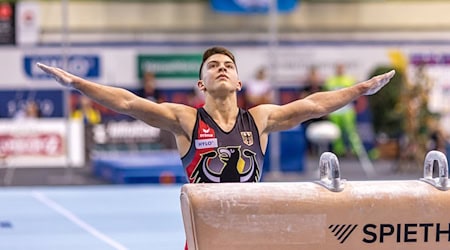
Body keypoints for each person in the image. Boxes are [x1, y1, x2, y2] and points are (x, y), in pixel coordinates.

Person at [37, 46, 394, 184]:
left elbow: (314, 105)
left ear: (239, 82)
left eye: (228, 66)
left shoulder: (261, 118)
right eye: (213, 66)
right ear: (201, 83)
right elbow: (128, 103)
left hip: (248, 231)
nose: (221, 69)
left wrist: (360, 89)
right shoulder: (186, 120)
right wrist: (77, 83)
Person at [324, 63, 365, 157]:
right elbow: (327, 96)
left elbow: (356, 95)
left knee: (351, 132)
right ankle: (339, 151)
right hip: (335, 111)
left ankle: (356, 151)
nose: (340, 70)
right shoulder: (330, 81)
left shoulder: (349, 80)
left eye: (341, 68)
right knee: (336, 133)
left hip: (347, 111)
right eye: (338, 68)